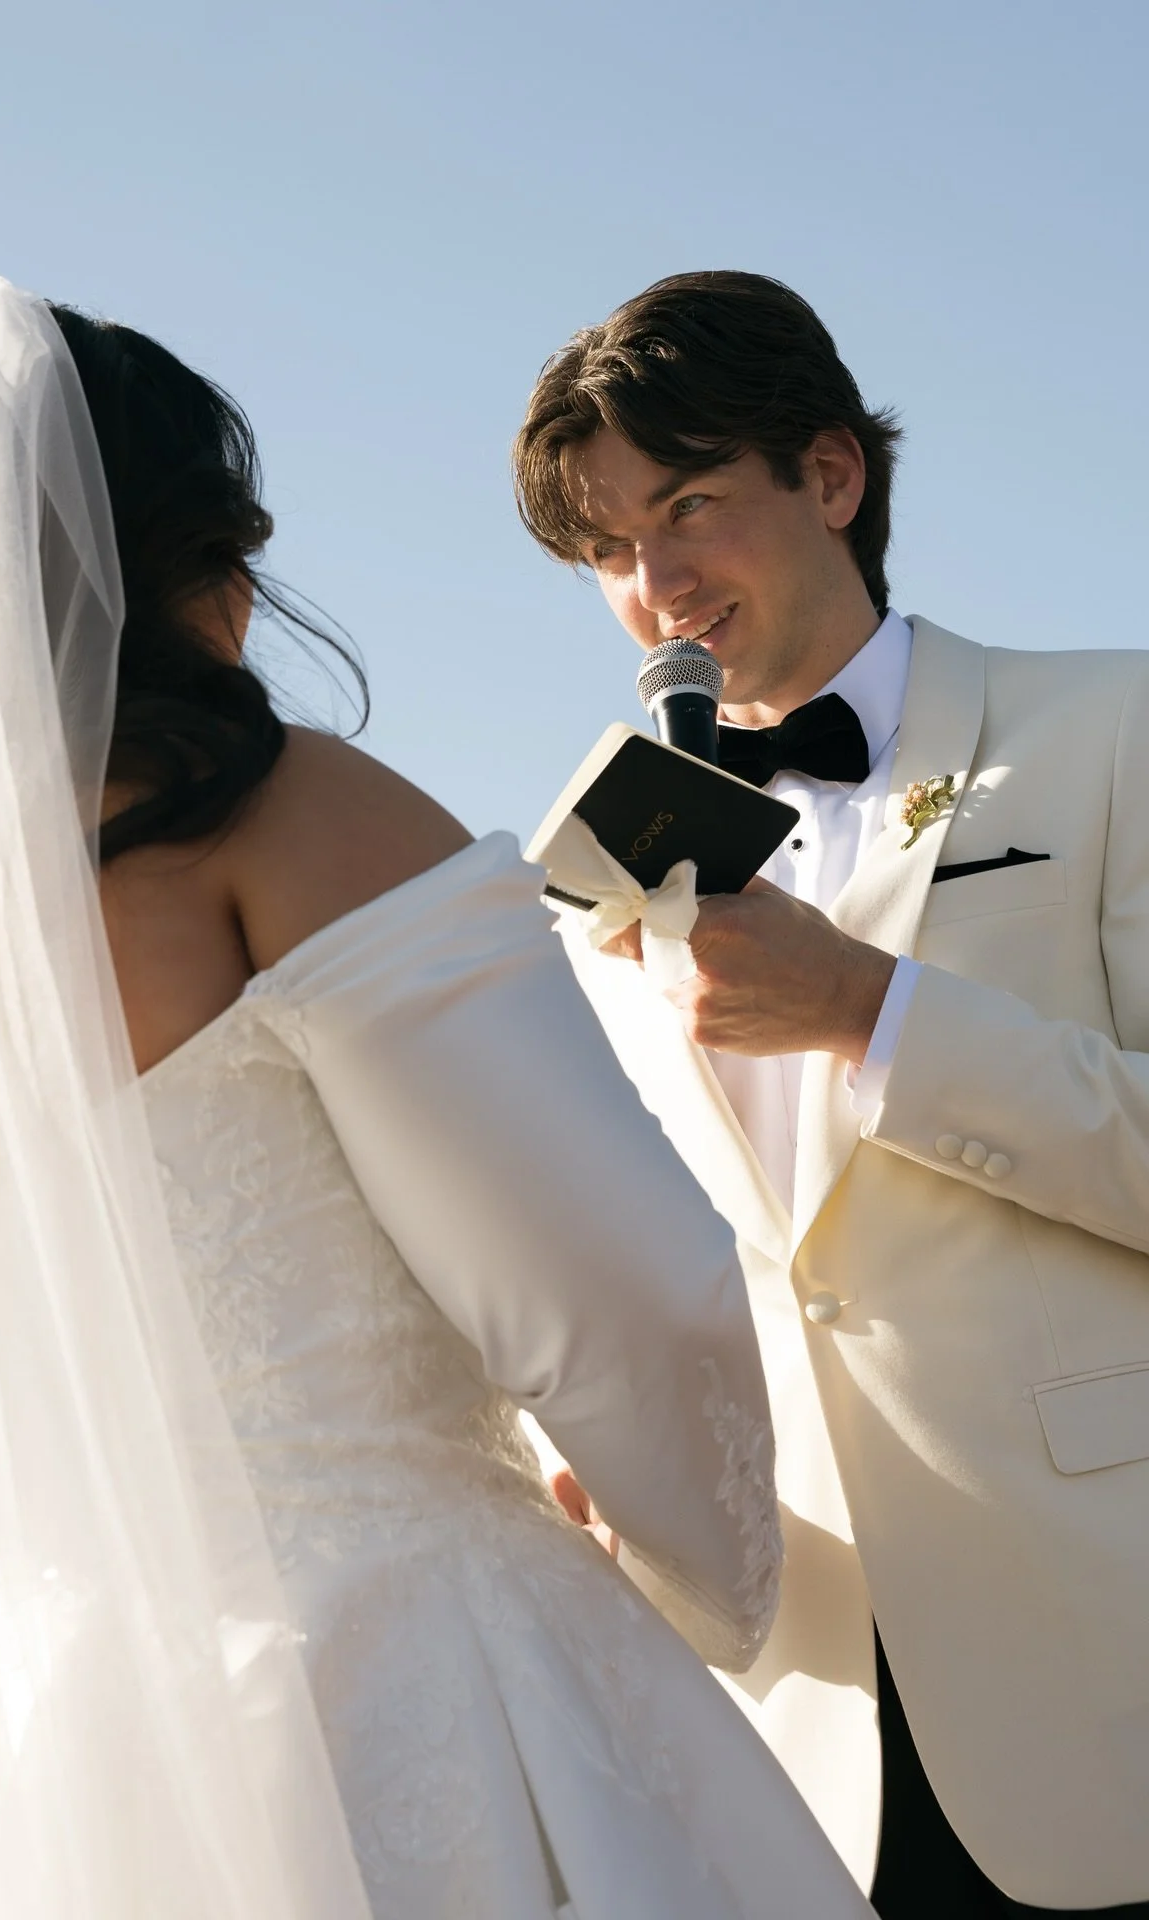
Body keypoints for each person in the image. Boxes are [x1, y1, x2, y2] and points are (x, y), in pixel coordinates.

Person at [0, 277, 871, 1920]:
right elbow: (615, 1289)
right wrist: (713, 1575)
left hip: (23, 1744)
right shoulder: (277, 815)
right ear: (165, 561)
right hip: (404, 1671)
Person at [512, 268, 1149, 1918]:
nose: (656, 586)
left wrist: (872, 1010)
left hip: (1108, 1651)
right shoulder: (594, 887)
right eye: (608, 551)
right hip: (795, 1710)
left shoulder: (1116, 726)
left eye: (689, 506)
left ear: (833, 475)